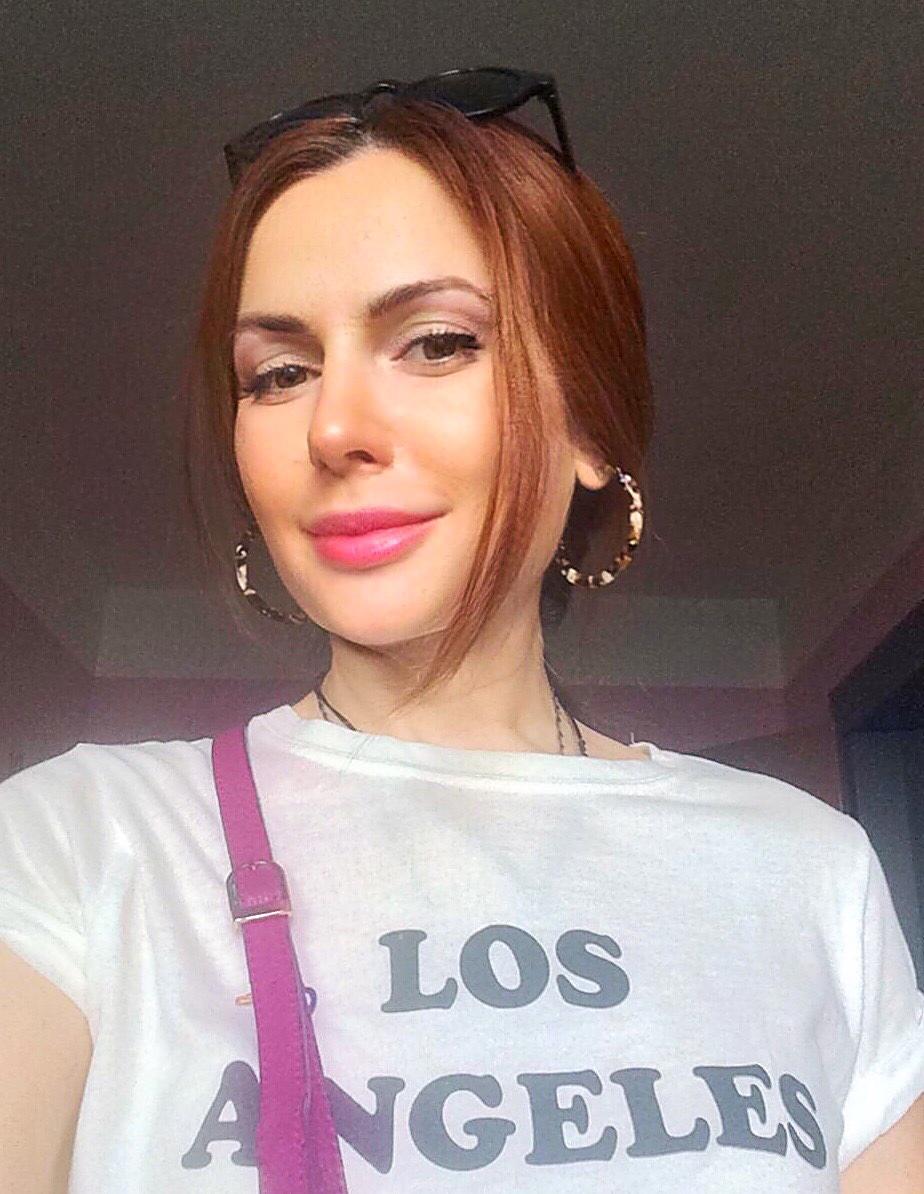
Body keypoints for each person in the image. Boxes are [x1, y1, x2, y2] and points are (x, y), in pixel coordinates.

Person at [1, 67, 922, 1194]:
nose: (333, 427)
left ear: (590, 423)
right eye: (280, 373)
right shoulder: (78, 846)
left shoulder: (809, 871)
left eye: (437, 342)